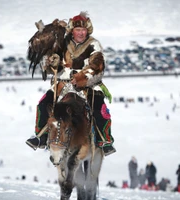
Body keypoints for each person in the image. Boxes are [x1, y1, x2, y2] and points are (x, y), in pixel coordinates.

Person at [26, 11, 116, 156]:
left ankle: (104, 140)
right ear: (72, 30)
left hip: (88, 86)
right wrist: (53, 63)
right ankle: (40, 137)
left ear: (87, 30)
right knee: (43, 104)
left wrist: (81, 78)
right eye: (77, 30)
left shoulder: (93, 44)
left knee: (100, 110)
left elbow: (97, 66)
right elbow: (52, 64)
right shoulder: (63, 42)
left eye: (83, 30)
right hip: (62, 84)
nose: (80, 33)